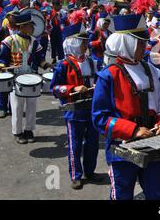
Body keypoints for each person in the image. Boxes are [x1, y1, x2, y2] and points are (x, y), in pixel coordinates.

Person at [91, 10, 160, 201]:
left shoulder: (150, 69)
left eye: (144, 42)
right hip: (122, 148)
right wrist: (133, 130)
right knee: (122, 196)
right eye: (140, 42)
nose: (145, 46)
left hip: (152, 143)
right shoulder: (108, 75)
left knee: (159, 194)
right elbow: (100, 118)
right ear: (127, 43)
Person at [51, 19, 102, 190]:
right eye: (83, 41)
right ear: (73, 43)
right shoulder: (63, 65)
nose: (86, 44)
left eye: (86, 41)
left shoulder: (92, 62)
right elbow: (55, 88)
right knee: (75, 144)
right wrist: (73, 88)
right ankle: (76, 175)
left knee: (93, 143)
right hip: (74, 111)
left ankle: (90, 171)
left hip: (92, 108)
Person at [0, 12, 51, 144]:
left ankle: (29, 130)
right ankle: (17, 132)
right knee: (17, 106)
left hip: (32, 78)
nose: (32, 28)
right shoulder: (10, 40)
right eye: (30, 26)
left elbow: (40, 59)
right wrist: (1, 65)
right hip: (16, 78)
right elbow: (3, 58)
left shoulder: (34, 41)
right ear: (22, 26)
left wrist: (46, 65)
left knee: (32, 105)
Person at [50, 0, 66, 64]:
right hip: (53, 31)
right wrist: (54, 16)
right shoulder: (50, 12)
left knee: (60, 44)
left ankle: (61, 58)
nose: (59, 6)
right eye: (58, 5)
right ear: (54, 5)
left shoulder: (61, 12)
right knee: (53, 45)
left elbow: (64, 21)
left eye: (60, 5)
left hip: (59, 30)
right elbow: (49, 22)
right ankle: (53, 58)